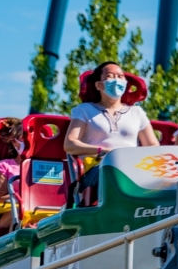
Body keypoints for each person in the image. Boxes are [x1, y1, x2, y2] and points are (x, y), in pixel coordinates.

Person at [64, 61, 159, 189]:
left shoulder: (137, 112)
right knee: (115, 174)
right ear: (98, 85)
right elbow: (70, 144)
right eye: (110, 76)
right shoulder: (84, 110)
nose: (116, 80)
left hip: (133, 167)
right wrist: (103, 151)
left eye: (120, 76)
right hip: (98, 168)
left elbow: (153, 146)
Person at [0, 118, 24, 230]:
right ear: (14, 142)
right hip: (9, 215)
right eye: (23, 138)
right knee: (21, 212)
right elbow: (0, 197)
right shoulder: (4, 165)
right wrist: (26, 199)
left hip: (34, 212)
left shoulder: (38, 168)